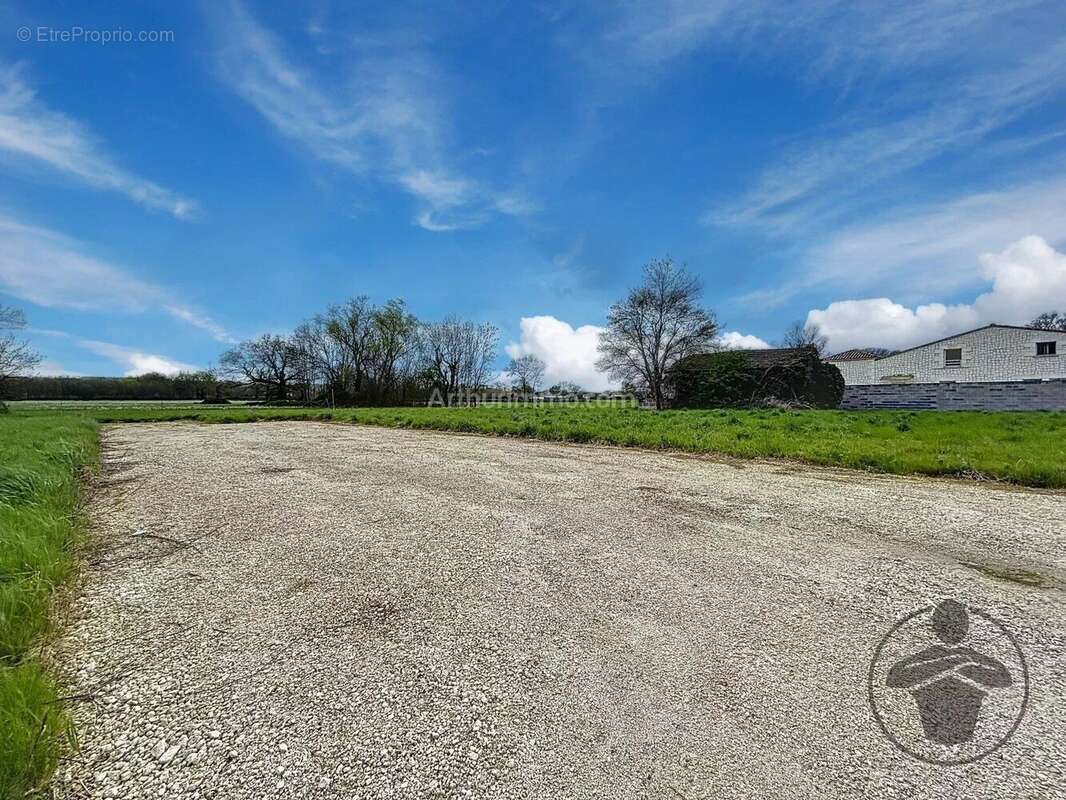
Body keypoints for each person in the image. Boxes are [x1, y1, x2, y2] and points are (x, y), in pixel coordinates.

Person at [886, 599, 1012, 744]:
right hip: (934, 716)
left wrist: (957, 663)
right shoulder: (951, 655)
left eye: (957, 624)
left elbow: (1004, 678)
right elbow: (894, 678)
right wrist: (955, 661)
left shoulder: (968, 655)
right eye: (948, 625)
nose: (952, 630)